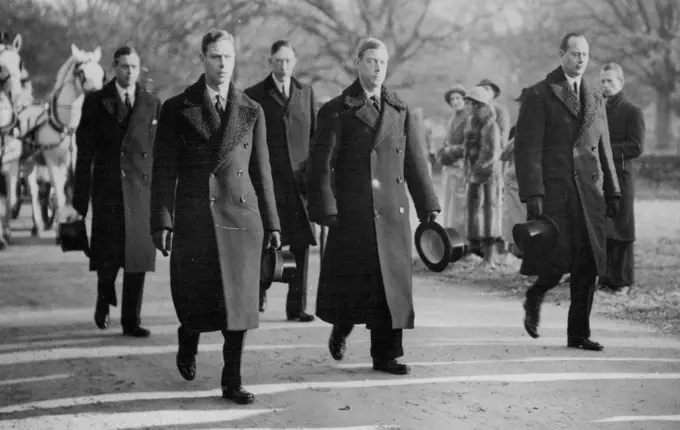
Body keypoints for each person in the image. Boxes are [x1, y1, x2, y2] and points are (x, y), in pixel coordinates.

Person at [150, 29, 281, 404]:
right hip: (196, 217)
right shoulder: (177, 108)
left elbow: (261, 170)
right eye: (215, 57)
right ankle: (188, 338)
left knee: (239, 303)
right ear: (202, 60)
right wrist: (162, 219)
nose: (222, 64)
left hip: (241, 217)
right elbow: (164, 170)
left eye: (228, 57)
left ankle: (232, 380)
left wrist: (272, 222)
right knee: (196, 296)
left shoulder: (251, 109)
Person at [306, 37, 440, 375]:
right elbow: (321, 164)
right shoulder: (337, 109)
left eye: (382, 62)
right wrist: (326, 207)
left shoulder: (400, 109)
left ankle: (387, 355)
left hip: (392, 212)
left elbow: (415, 163)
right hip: (354, 212)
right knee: (353, 284)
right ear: (358, 64)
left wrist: (428, 204)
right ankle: (342, 326)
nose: (377, 68)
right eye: (371, 61)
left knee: (390, 286)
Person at [515, 32, 621, 351]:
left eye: (585, 55)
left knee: (587, 262)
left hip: (589, 194)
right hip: (555, 192)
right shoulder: (539, 94)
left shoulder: (594, 95)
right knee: (558, 260)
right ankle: (536, 294)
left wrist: (613, 189)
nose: (581, 60)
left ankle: (578, 334)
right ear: (561, 54)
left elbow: (604, 148)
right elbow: (527, 149)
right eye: (575, 53)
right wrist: (533, 195)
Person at [73, 46, 160, 337]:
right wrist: (79, 203)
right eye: (124, 66)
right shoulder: (96, 102)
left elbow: (157, 152)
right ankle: (103, 300)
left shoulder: (151, 103)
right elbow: (84, 155)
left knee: (137, 257)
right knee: (108, 257)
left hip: (140, 192)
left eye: (134, 66)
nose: (130, 72)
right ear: (114, 67)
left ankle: (131, 320)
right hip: (108, 191)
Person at [245, 40, 316, 321]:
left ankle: (296, 307)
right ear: (269, 62)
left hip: (300, 186)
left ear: (294, 62)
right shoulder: (254, 95)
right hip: (268, 184)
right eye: (278, 61)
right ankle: (256, 295)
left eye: (288, 61)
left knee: (300, 244)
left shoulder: (306, 92)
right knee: (264, 242)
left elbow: (315, 138)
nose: (283, 66)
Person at [599, 62, 645, 294]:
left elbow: (636, 147)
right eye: (603, 81)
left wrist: (605, 149)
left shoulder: (632, 111)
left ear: (621, 82)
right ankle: (606, 279)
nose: (606, 85)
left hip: (622, 178)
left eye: (611, 81)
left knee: (622, 228)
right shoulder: (598, 110)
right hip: (602, 178)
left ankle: (623, 282)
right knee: (605, 228)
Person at [460, 86, 504, 262]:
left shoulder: (490, 125)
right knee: (472, 210)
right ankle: (474, 248)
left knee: (488, 212)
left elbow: (490, 153)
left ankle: (489, 255)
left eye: (469, 103)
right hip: (475, 174)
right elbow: (468, 149)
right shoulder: (473, 122)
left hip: (488, 175)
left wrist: (475, 170)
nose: (466, 106)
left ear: (477, 105)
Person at [437, 84, 468, 233]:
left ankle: (461, 237)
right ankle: (450, 236)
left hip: (462, 166)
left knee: (459, 206)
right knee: (449, 204)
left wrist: (452, 150)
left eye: (458, 98)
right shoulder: (451, 120)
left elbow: (469, 144)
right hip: (450, 167)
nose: (455, 101)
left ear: (464, 99)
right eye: (452, 99)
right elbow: (446, 141)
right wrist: (443, 150)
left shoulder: (469, 117)